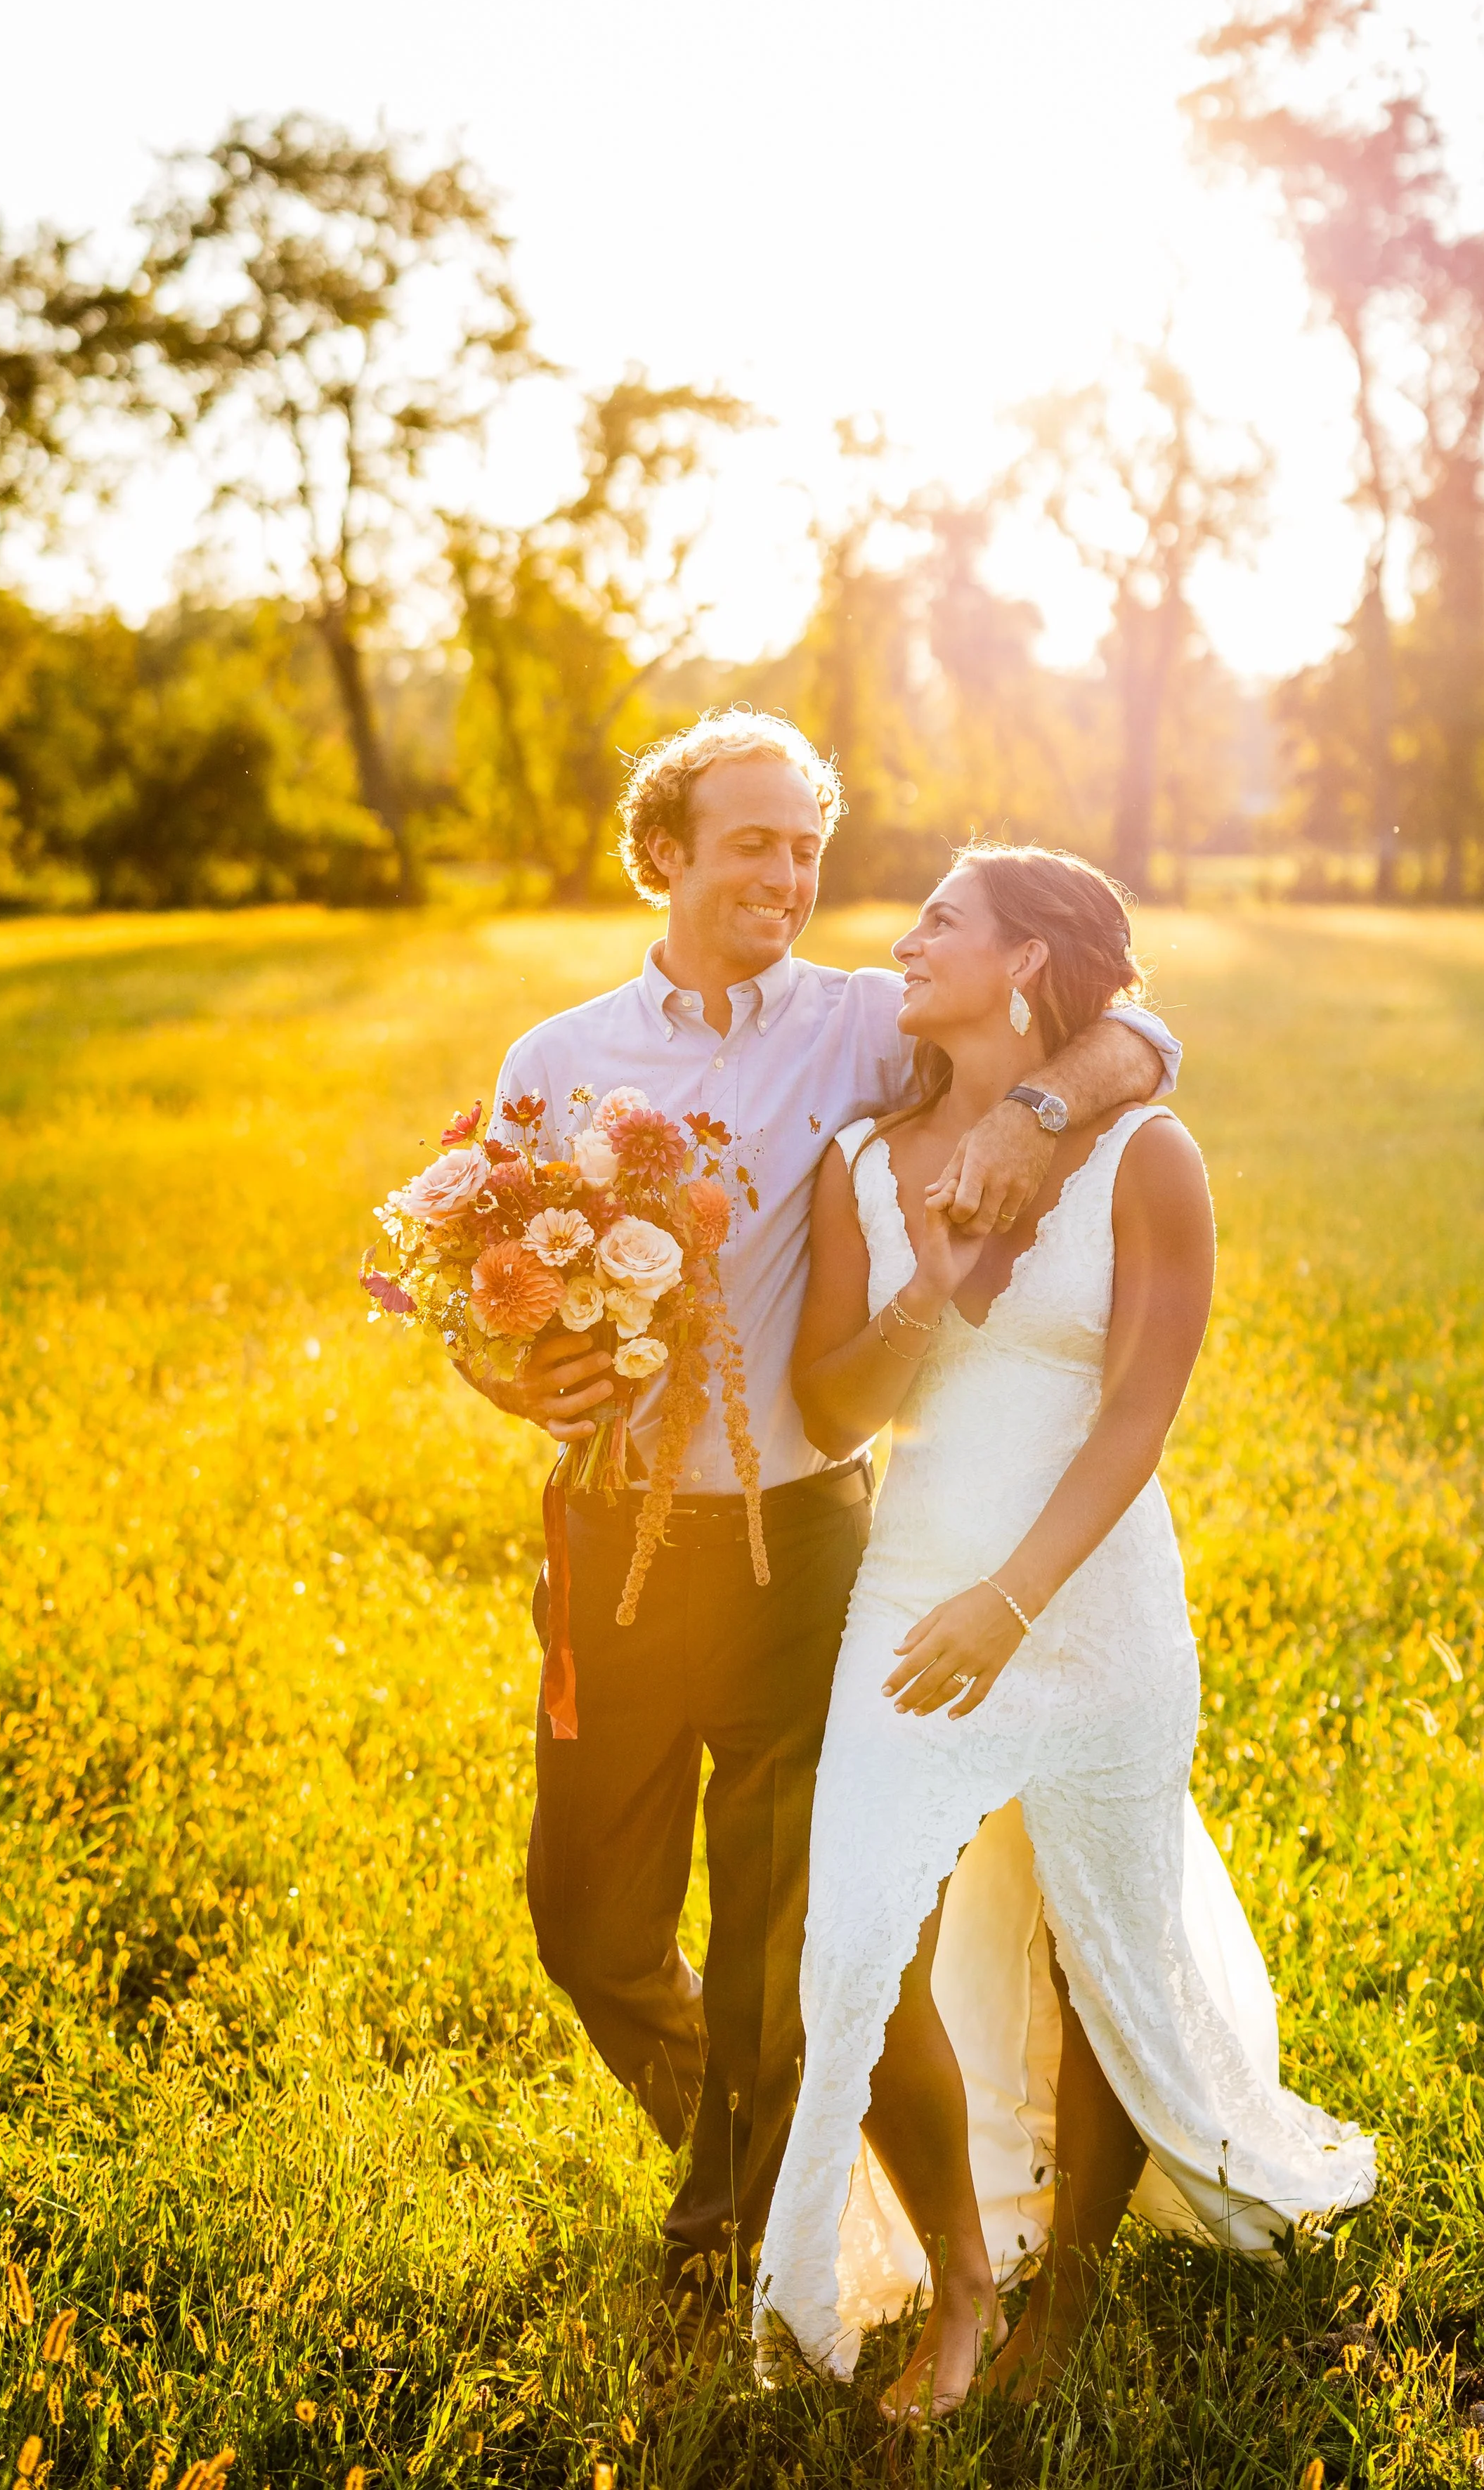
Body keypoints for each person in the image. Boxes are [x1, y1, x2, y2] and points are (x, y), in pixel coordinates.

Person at [462, 712, 1181, 2345]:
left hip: (802, 1547)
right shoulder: (557, 1060)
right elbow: (478, 1304)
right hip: (607, 1543)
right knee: (588, 1928)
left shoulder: (864, 1027)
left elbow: (1136, 1039)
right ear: (664, 855)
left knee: (772, 1939)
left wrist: (1036, 1117)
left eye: (804, 846)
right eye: (750, 845)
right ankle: (774, 2170)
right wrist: (506, 1371)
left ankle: (731, 2227)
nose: (786, 876)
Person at [755, 841, 1374, 2418]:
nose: (900, 940)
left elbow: (1136, 1416)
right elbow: (828, 1407)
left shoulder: (1144, 1156)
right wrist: (921, 1295)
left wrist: (1012, 1600)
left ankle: (1071, 2295)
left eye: (939, 922)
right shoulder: (857, 1163)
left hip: (1087, 1604)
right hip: (910, 1594)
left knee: (1100, 1930)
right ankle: (963, 2273)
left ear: (1027, 961)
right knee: (854, 1949)